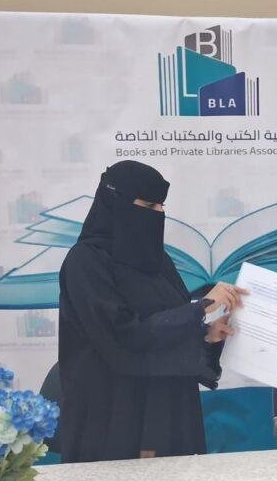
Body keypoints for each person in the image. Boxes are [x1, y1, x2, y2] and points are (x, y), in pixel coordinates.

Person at [57, 160, 245, 462]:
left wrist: (206, 335)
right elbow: (122, 334)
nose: (157, 214)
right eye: (148, 205)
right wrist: (198, 311)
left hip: (170, 415)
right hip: (114, 419)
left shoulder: (159, 262)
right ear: (116, 203)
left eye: (161, 206)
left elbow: (170, 327)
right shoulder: (86, 262)